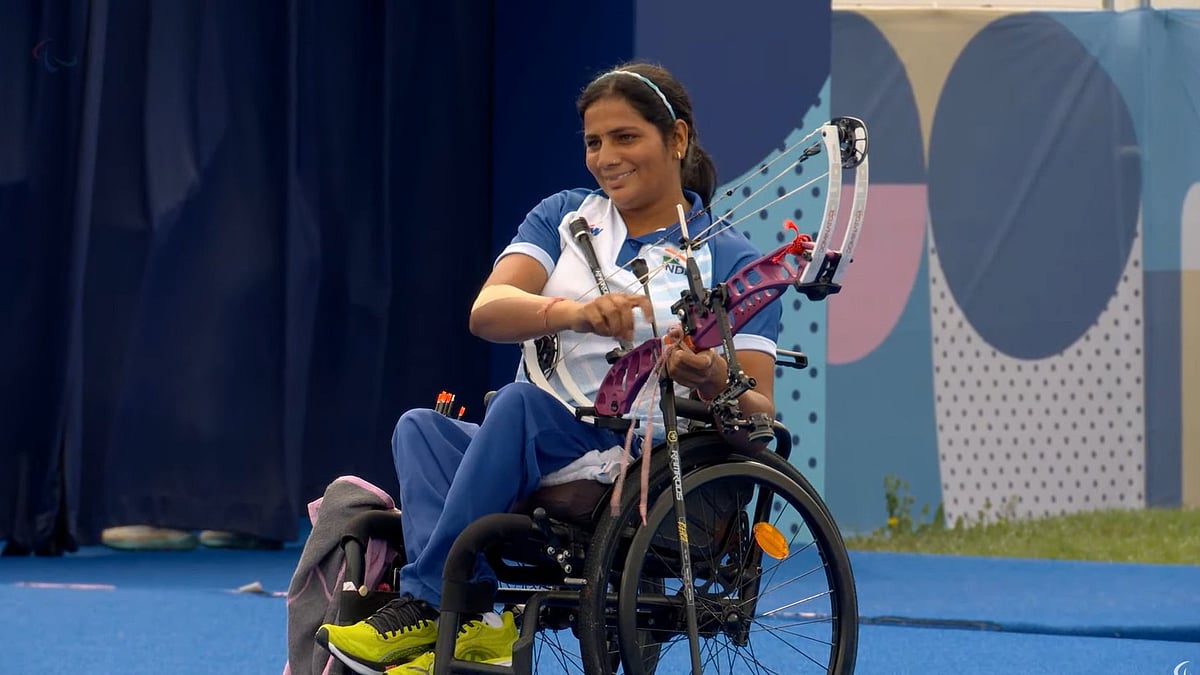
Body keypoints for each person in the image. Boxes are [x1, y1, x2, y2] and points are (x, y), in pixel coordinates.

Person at [316, 61, 782, 675]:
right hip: (533, 440)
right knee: (420, 429)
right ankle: (481, 622)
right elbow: (488, 310)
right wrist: (576, 313)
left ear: (677, 138)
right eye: (594, 141)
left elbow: (760, 410)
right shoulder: (564, 216)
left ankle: (429, 602)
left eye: (625, 137)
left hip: (634, 456)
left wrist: (704, 374)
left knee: (515, 408)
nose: (606, 156)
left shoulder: (729, 256)